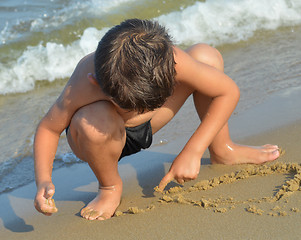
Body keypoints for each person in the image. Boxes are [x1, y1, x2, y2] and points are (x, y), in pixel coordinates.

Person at [34, 19, 280, 220]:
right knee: (92, 120)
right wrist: (43, 180)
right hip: (99, 138)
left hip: (150, 124)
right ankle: (109, 186)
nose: (137, 109)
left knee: (207, 57)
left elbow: (228, 91)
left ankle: (223, 149)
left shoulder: (171, 60)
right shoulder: (84, 79)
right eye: (130, 104)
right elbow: (48, 128)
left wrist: (193, 150)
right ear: (96, 82)